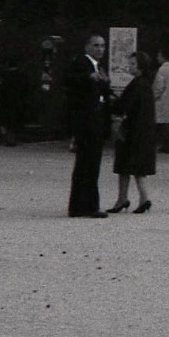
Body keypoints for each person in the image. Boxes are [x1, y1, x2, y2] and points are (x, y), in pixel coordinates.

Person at [64, 35, 111, 218]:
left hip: (96, 120)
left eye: (102, 46)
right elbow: (68, 79)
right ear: (87, 47)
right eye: (96, 45)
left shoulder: (98, 66)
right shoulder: (81, 63)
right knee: (87, 163)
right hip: (87, 121)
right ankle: (85, 205)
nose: (100, 49)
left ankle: (85, 204)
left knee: (91, 164)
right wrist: (87, 77)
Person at [110, 51, 157, 214]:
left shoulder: (137, 85)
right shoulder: (145, 84)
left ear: (140, 67)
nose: (129, 67)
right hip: (143, 130)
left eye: (132, 64)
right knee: (137, 168)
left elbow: (124, 106)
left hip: (133, 130)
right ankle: (141, 197)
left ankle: (126, 198)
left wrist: (114, 103)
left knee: (126, 165)